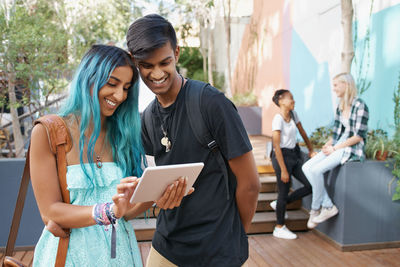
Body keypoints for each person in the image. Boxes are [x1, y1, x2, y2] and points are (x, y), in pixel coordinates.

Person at [30, 45, 187, 266]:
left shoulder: (123, 134)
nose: (120, 95)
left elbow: (125, 212)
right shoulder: (49, 131)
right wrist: (108, 211)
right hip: (69, 255)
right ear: (88, 78)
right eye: (112, 84)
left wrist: (156, 195)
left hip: (119, 253)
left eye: (126, 88)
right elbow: (50, 212)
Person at [126, 14, 260, 267]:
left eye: (164, 62)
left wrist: (234, 237)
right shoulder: (147, 119)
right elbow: (154, 182)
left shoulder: (211, 103)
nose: (156, 74)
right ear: (135, 63)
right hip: (167, 244)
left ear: (176, 53)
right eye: (146, 65)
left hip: (217, 250)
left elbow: (250, 184)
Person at [302, 73, 369, 229]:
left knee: (317, 171)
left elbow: (359, 136)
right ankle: (327, 205)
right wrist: (327, 145)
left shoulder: (360, 106)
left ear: (346, 85)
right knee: (307, 167)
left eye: (336, 85)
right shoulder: (341, 106)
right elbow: (337, 133)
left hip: (350, 148)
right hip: (338, 144)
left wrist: (335, 148)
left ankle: (315, 209)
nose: (334, 89)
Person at [270, 89, 315, 239]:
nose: (294, 101)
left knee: (310, 186)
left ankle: (279, 204)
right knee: (283, 191)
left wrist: (310, 149)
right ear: (281, 101)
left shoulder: (294, 115)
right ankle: (279, 227)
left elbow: (302, 131)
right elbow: (276, 146)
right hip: (280, 156)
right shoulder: (278, 119)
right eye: (291, 99)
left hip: (293, 156)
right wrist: (283, 170)